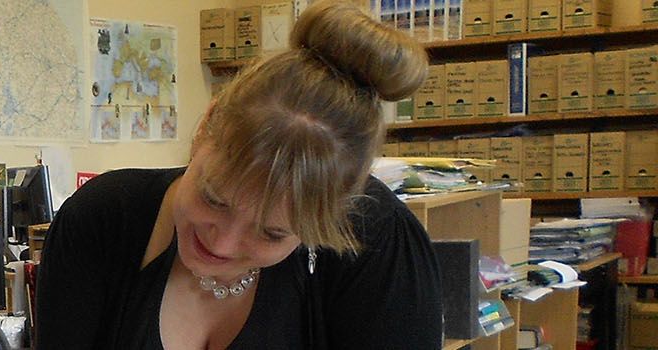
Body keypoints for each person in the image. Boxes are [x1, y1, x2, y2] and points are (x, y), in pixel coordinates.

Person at [33, 1, 441, 349]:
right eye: (213, 198)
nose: (222, 242)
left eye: (272, 232)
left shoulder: (374, 242)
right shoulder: (102, 220)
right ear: (204, 127)